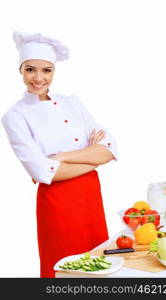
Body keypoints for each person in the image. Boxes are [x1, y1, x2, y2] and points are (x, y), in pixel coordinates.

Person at [1, 31, 118, 278]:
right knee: (63, 270)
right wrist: (91, 158)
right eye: (31, 69)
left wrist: (62, 156)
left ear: (54, 72)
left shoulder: (72, 102)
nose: (38, 78)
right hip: (57, 205)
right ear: (20, 70)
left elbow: (109, 149)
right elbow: (44, 172)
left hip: (90, 198)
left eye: (46, 70)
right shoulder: (15, 116)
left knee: (98, 266)